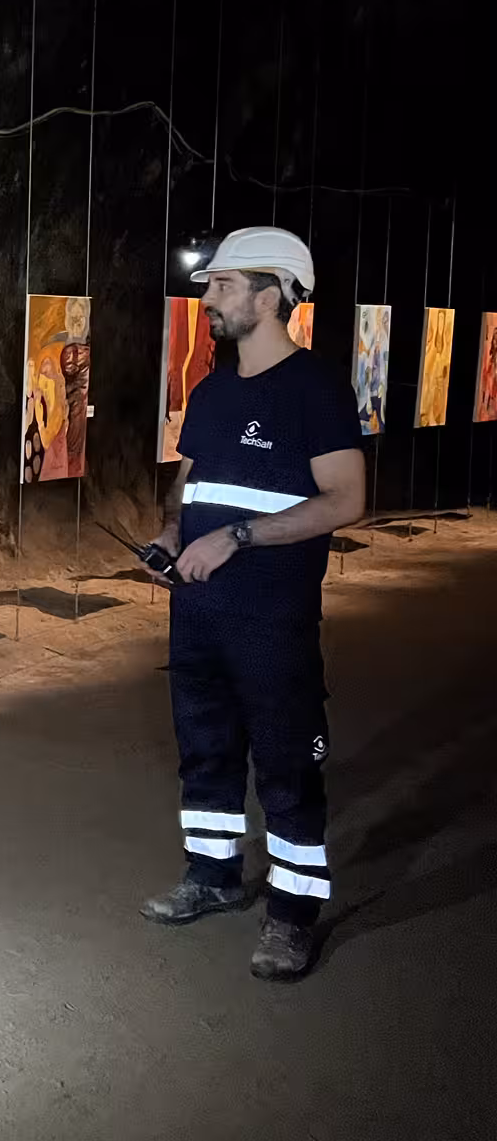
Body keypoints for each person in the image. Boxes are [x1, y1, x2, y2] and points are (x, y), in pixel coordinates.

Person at [140, 227, 366, 981]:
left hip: (271, 622)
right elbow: (190, 486)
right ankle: (211, 876)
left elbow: (346, 500)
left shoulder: (317, 390)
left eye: (224, 286)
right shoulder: (208, 389)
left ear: (270, 297)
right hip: (197, 614)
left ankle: (293, 916)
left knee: (286, 767)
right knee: (205, 753)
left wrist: (238, 537)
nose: (208, 299)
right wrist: (172, 535)